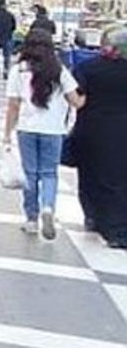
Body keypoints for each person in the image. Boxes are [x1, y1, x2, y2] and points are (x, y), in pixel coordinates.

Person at [3, 29, 83, 240]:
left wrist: (7, 133)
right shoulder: (59, 70)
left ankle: (31, 219)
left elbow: (13, 105)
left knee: (29, 174)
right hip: (53, 130)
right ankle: (48, 206)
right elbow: (76, 101)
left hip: (27, 129)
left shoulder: (18, 70)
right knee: (49, 173)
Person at [70, 27, 127, 248]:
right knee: (117, 181)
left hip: (89, 130)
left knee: (88, 175)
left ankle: (92, 216)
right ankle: (117, 230)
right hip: (121, 133)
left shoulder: (88, 67)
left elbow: (75, 96)